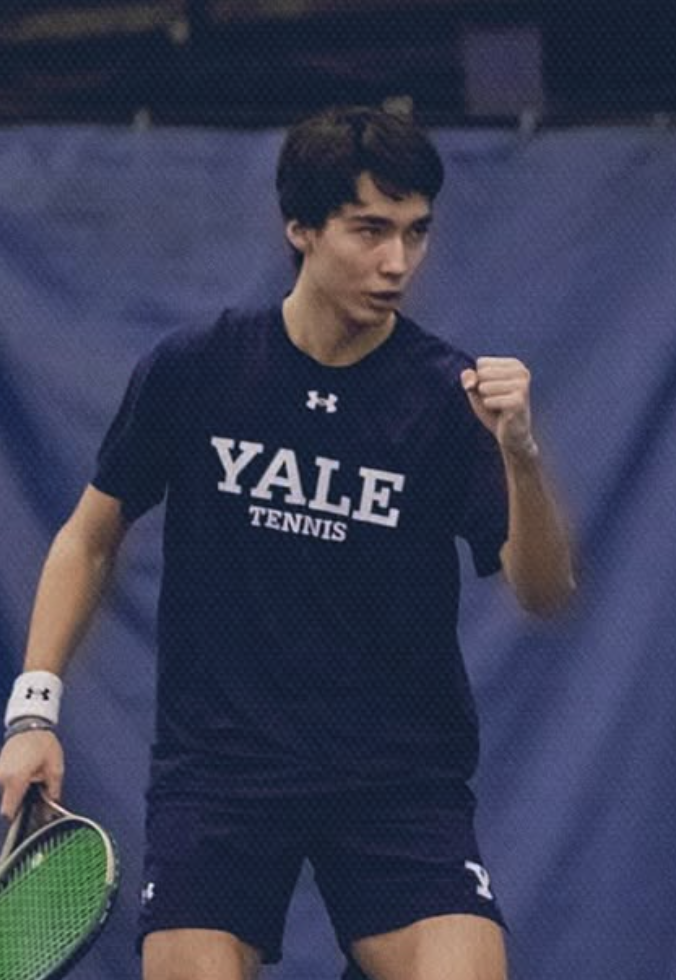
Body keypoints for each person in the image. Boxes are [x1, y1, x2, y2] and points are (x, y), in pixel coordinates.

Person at [0, 105, 574, 980]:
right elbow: (88, 538)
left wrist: (522, 458)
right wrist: (33, 712)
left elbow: (546, 591)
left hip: (397, 782)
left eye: (417, 232)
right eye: (369, 230)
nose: (398, 262)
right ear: (300, 228)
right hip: (222, 776)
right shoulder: (197, 369)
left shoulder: (448, 398)